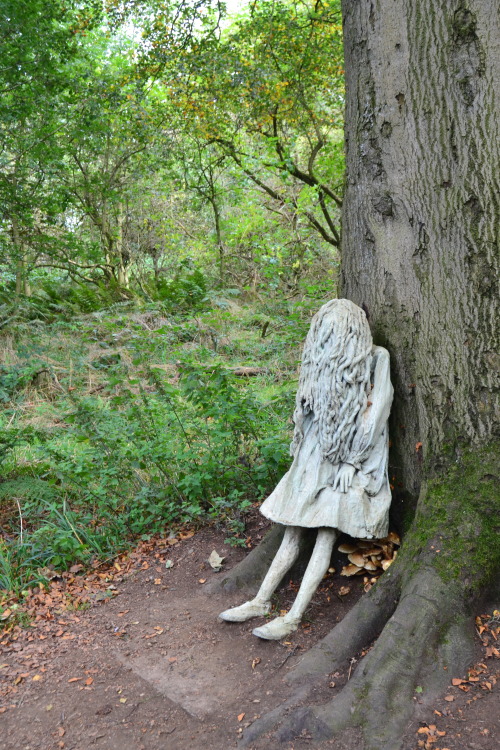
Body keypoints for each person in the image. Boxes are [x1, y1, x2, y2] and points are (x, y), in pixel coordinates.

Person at [219, 299, 394, 640]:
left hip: (348, 462)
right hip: (314, 459)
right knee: (292, 530)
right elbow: (307, 407)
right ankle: (260, 600)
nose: (331, 336)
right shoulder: (322, 361)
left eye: (338, 329)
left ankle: (295, 615)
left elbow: (377, 411)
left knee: (327, 533)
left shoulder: (376, 357)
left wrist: (351, 460)